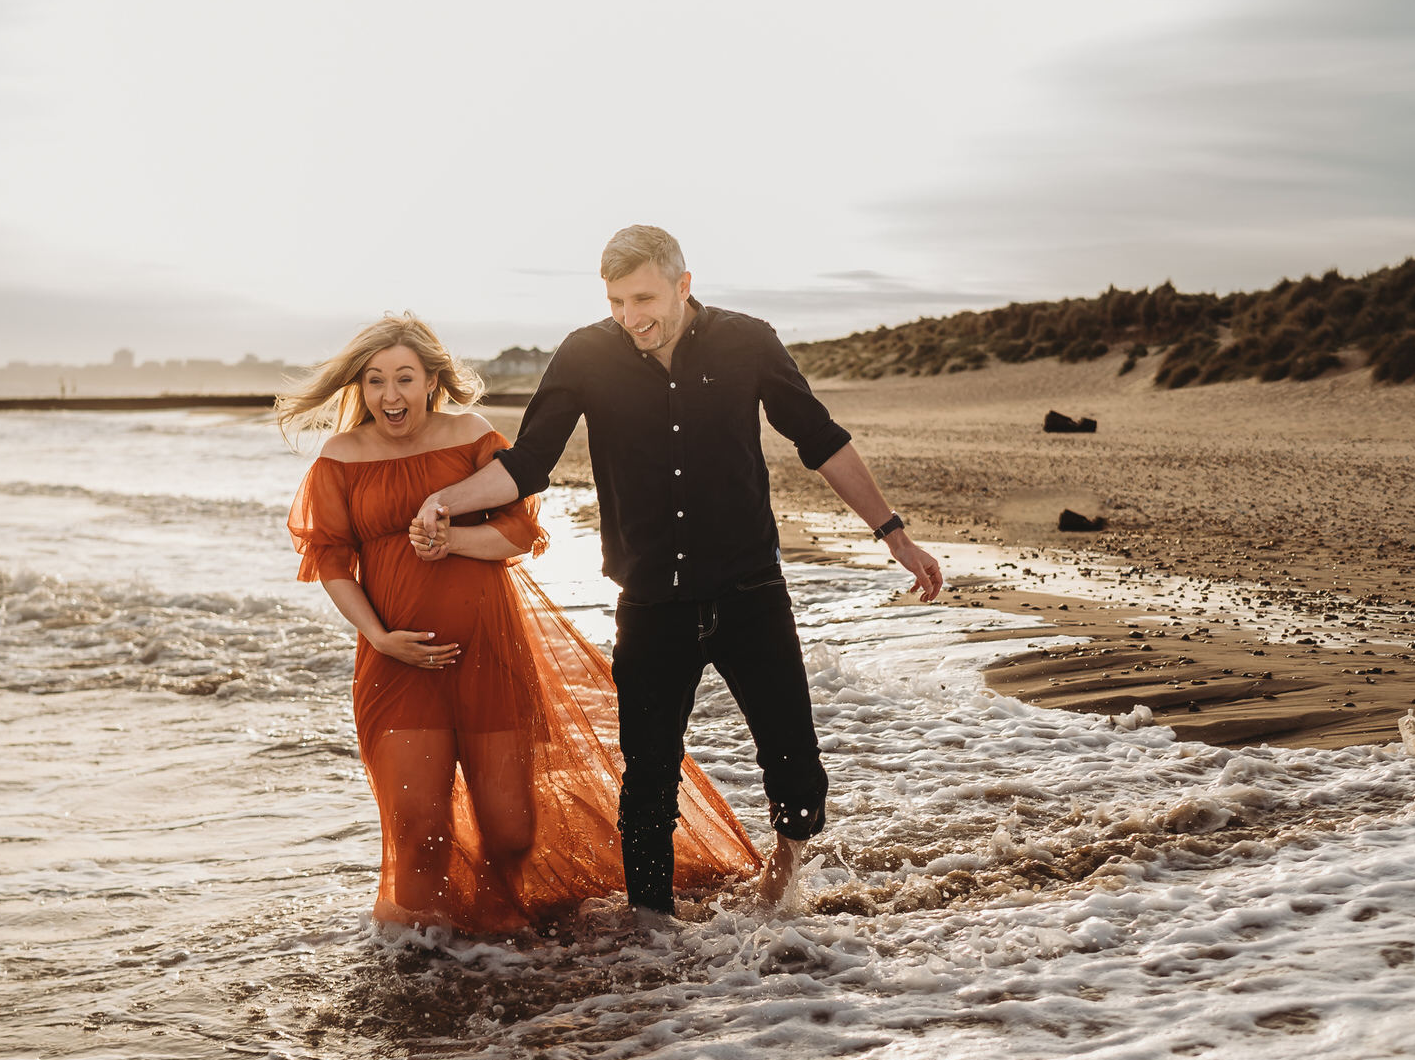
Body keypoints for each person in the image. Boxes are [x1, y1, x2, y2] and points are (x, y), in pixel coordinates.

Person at [415, 226, 946, 924]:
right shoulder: (586, 353)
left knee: (799, 774)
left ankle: (780, 886)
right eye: (616, 300)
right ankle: (653, 933)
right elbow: (529, 462)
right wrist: (444, 502)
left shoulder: (748, 341)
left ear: (682, 284)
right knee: (648, 787)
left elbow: (819, 438)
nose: (630, 316)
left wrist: (894, 534)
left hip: (750, 591)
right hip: (651, 605)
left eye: (643, 298)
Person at [280, 314, 758, 935]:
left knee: (512, 829)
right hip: (398, 665)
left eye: (404, 378)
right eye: (374, 382)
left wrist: (449, 540)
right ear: (359, 388)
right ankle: (418, 971)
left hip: (490, 652)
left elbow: (517, 533)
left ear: (432, 380)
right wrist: (378, 636)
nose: (389, 396)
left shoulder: (472, 436)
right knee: (419, 831)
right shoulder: (341, 457)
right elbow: (331, 558)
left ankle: (492, 942)